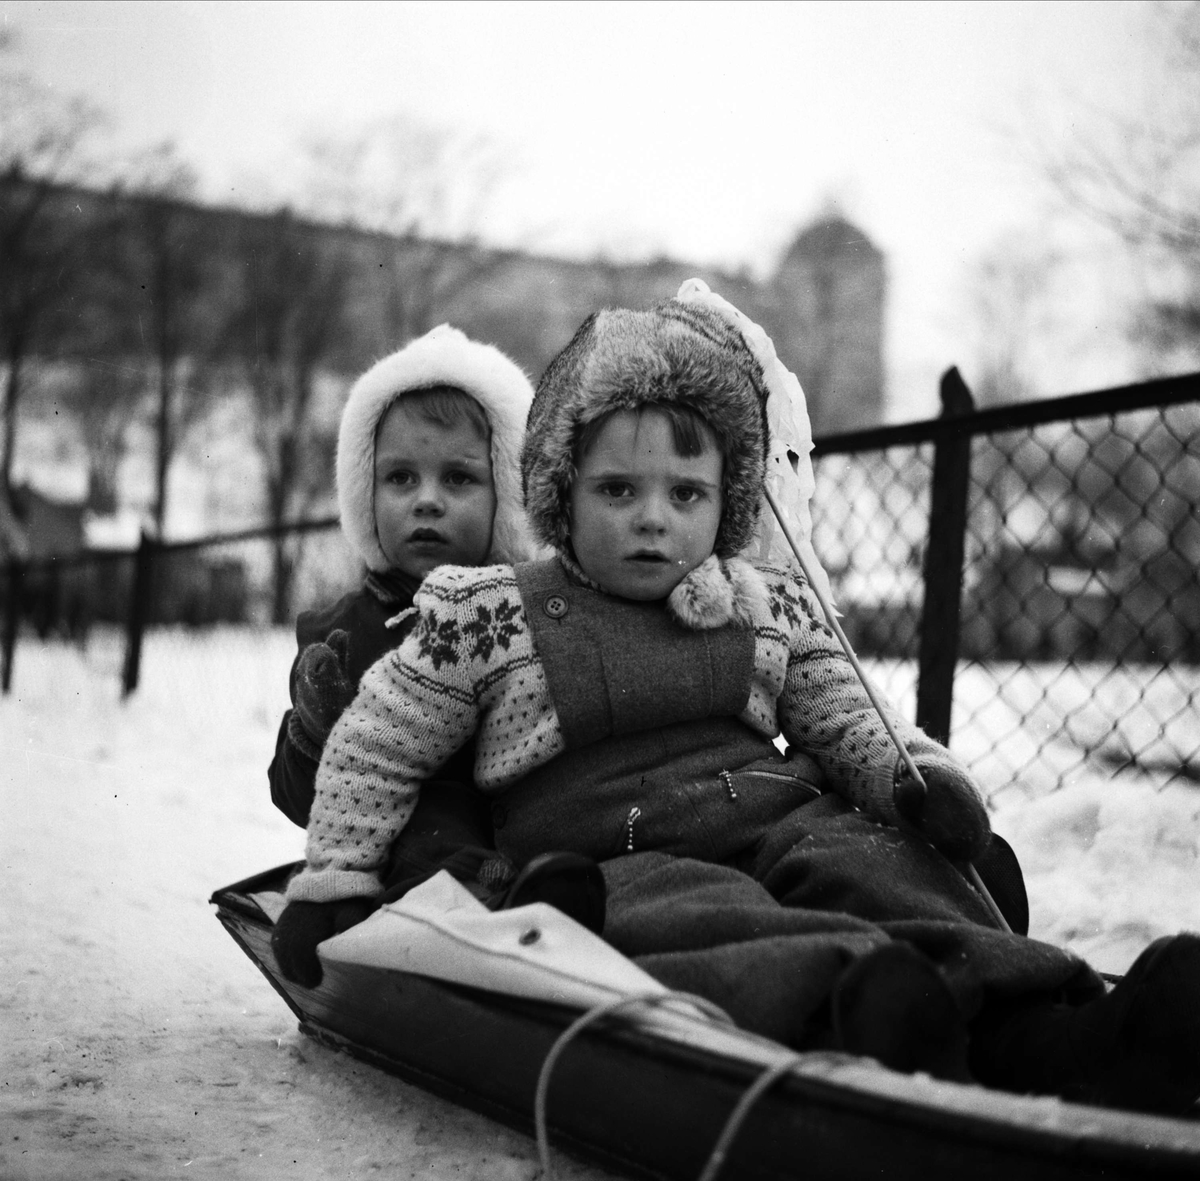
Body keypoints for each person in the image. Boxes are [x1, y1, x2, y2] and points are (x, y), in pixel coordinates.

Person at [276, 290, 1200, 1115]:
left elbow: (842, 706)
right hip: (618, 844)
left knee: (870, 857)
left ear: (726, 505)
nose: (652, 517)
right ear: (559, 499)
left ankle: (1060, 1024)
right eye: (616, 490)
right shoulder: (492, 614)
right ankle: (863, 1008)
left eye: (686, 493)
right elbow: (379, 743)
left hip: (778, 810)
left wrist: (907, 777)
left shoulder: (760, 599)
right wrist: (335, 879)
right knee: (698, 913)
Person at [268, 325, 604, 985]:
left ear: (508, 494)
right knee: (431, 824)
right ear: (365, 491)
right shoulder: (342, 633)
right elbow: (298, 796)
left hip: (527, 830)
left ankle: (550, 907)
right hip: (395, 858)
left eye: (458, 477)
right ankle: (454, 919)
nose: (426, 499)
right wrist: (314, 724)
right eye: (400, 477)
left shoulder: (530, 611)